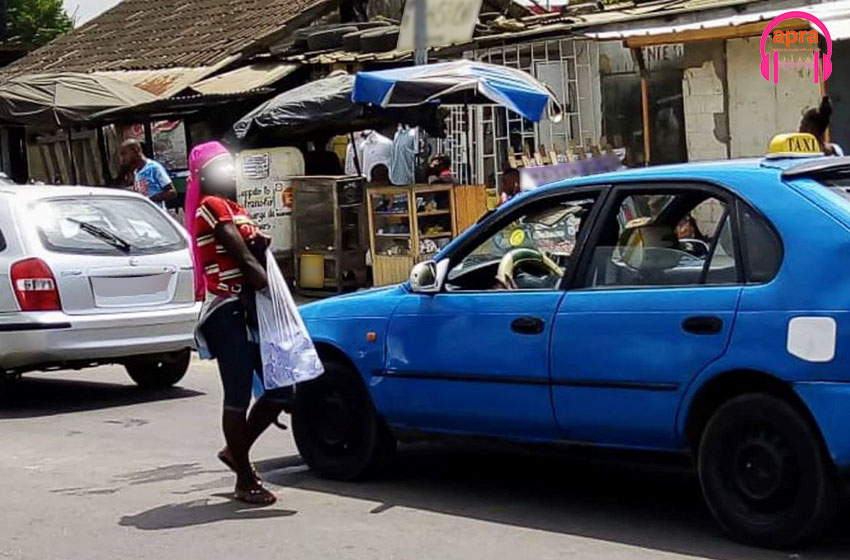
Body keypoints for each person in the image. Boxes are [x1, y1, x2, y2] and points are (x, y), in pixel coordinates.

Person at [186, 141, 291, 506]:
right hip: (225, 310)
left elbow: (252, 251)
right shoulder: (210, 206)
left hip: (245, 309)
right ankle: (244, 479)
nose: (229, 175)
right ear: (206, 176)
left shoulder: (234, 207)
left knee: (281, 389)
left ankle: (236, 451)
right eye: (221, 169)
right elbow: (242, 257)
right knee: (238, 394)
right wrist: (267, 283)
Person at [119, 139, 177, 205]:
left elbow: (172, 192)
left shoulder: (153, 168)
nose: (122, 158)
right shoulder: (136, 171)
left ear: (135, 151)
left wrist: (150, 200)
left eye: (124, 154)